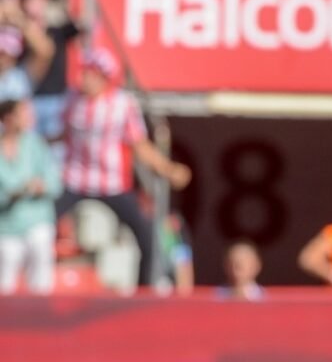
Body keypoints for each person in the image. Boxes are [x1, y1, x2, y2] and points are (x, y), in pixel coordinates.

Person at [56, 47, 192, 287]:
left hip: (113, 185)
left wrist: (169, 169)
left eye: (90, 74)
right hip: (75, 180)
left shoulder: (122, 104)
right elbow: (61, 136)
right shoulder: (72, 99)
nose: (84, 79)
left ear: (103, 77)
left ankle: (144, 290)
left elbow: (140, 145)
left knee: (147, 236)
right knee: (39, 223)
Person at [0, 99, 62, 294]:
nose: (29, 118)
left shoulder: (36, 145)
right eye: (24, 113)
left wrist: (39, 187)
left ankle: (42, 321)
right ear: (9, 118)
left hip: (37, 221)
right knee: (5, 281)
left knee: (41, 274)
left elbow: (55, 183)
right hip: (6, 226)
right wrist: (12, 195)